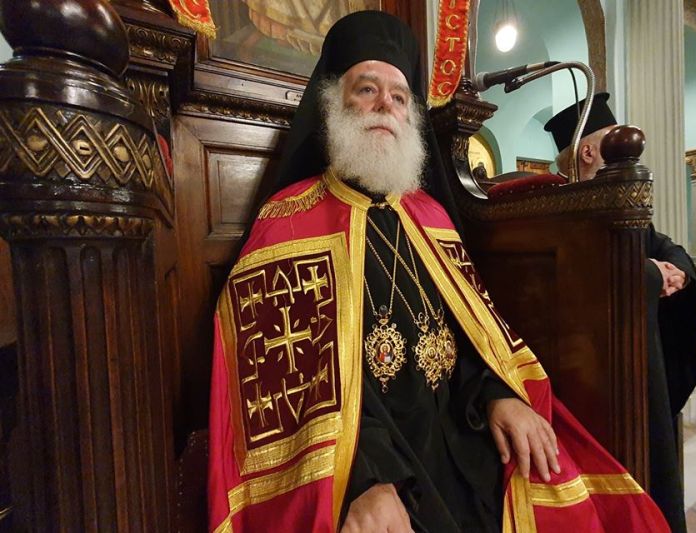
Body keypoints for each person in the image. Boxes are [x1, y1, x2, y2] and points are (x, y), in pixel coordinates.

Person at [208, 13, 669, 533]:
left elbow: (471, 333)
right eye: (367, 89)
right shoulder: (290, 221)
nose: (386, 105)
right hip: (373, 465)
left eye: (400, 96)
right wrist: (363, 480)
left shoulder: (429, 216)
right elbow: (286, 389)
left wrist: (496, 395)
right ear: (333, 104)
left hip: (462, 439)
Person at [545, 93, 696, 533]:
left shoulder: (618, 199)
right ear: (589, 152)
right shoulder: (555, 205)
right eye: (614, 143)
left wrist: (677, 272)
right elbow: (583, 271)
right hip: (596, 368)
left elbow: (664, 246)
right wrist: (649, 273)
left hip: (640, 356)